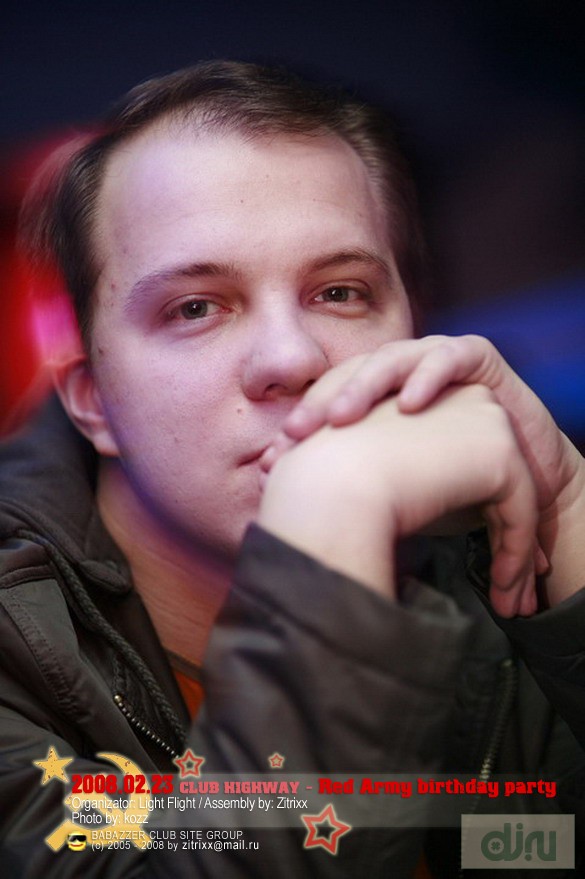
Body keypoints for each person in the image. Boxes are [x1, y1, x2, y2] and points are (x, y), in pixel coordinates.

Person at [1, 60, 584, 877]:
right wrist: (331, 525)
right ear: (94, 402)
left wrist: (568, 504)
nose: (290, 357)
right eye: (194, 307)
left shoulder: (499, 560)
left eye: (339, 292)